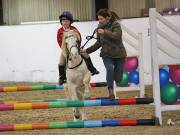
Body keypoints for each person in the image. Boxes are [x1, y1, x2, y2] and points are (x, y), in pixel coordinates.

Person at [81, 9, 127, 99]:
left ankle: (116, 80)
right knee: (109, 68)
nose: (100, 21)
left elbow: (117, 36)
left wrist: (104, 32)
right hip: (106, 54)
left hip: (119, 54)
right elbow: (98, 43)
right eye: (99, 19)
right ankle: (110, 91)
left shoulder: (115, 24)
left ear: (107, 18)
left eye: (101, 19)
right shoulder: (99, 28)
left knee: (118, 79)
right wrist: (86, 50)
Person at [57, 11, 99, 85]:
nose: (65, 22)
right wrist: (65, 50)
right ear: (61, 22)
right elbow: (60, 41)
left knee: (86, 54)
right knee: (61, 62)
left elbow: (79, 38)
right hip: (65, 49)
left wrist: (77, 47)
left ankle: (92, 68)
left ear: (70, 22)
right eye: (63, 21)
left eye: (66, 21)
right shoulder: (60, 31)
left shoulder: (74, 29)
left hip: (75, 47)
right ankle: (62, 76)